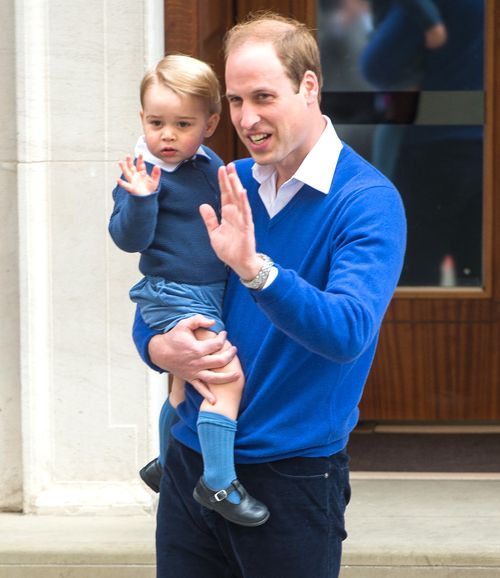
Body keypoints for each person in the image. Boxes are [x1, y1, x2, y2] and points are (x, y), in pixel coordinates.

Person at [133, 12, 406, 578]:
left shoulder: (367, 201)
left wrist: (256, 270)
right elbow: (164, 291)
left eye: (263, 96)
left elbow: (348, 331)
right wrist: (161, 350)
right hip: (192, 465)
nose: (247, 118)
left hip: (293, 478)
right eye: (234, 101)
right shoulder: (223, 180)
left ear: (309, 86)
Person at [108, 54, 269, 526]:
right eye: (156, 122)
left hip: (208, 290)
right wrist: (140, 198)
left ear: (210, 123)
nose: (167, 136)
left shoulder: (207, 164)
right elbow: (128, 240)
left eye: (183, 124)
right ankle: (217, 482)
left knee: (182, 387)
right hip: (173, 293)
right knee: (224, 377)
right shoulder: (141, 173)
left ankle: (165, 463)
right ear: (142, 119)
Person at [360, 0, 483, 285]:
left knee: (413, 278)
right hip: (482, 147)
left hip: (429, 150)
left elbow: (377, 65)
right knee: (475, 278)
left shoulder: (425, 9)